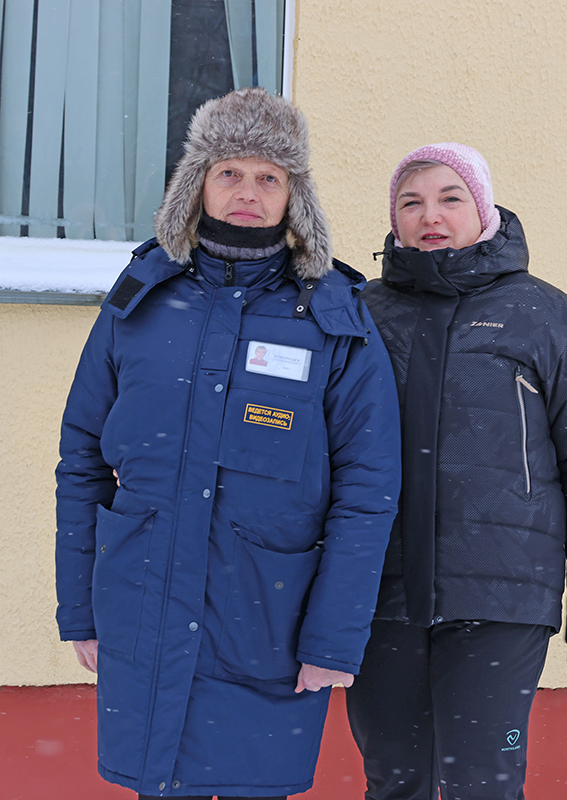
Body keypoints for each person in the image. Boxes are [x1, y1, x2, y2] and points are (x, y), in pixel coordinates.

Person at [54, 88, 401, 800]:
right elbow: (82, 460)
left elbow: (368, 492)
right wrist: (81, 609)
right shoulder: (141, 300)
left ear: (295, 197)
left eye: (269, 177)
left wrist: (334, 638)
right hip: (144, 612)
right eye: (230, 172)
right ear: (198, 184)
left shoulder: (332, 317)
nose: (248, 192)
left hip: (269, 623)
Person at [345, 143, 567, 800]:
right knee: (395, 781)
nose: (431, 216)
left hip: (502, 598)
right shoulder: (363, 313)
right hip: (380, 596)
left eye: (451, 198)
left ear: (483, 209)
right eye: (411, 202)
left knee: (483, 785)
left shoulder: (544, 314)